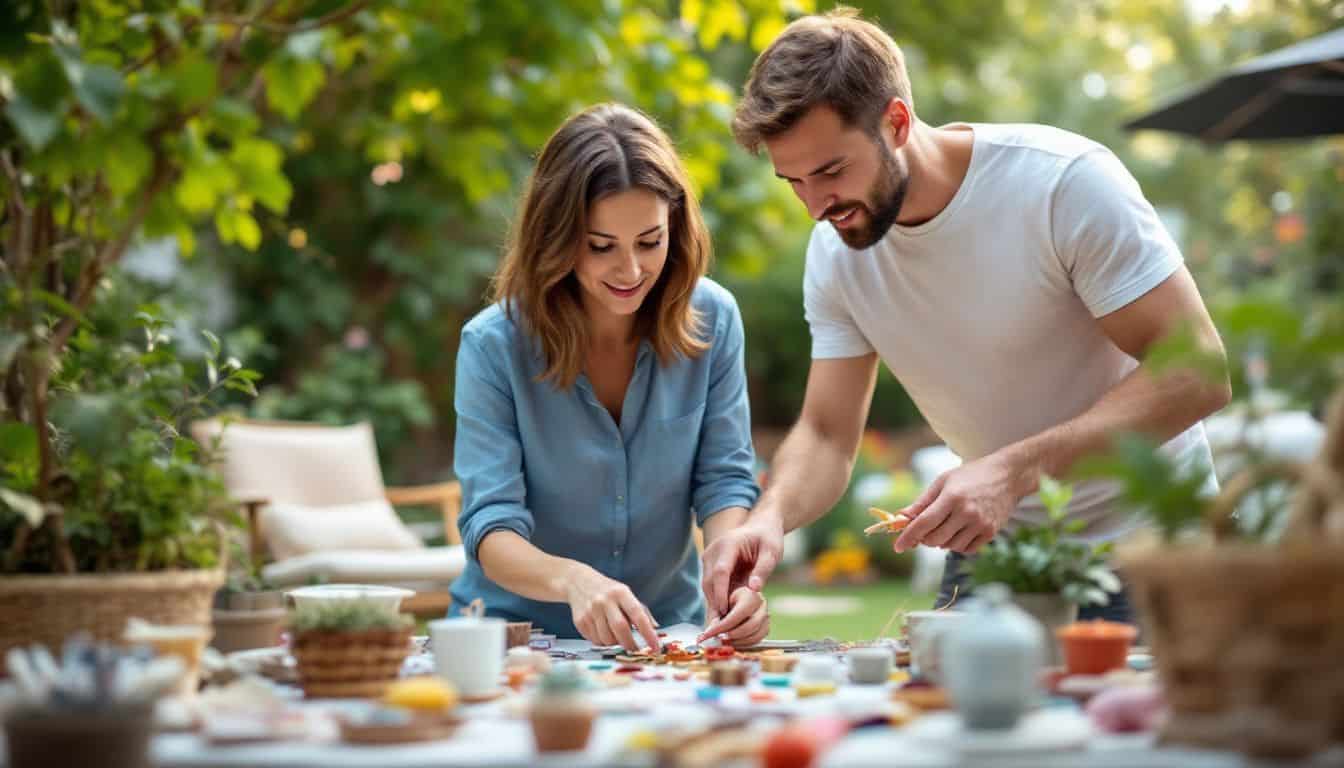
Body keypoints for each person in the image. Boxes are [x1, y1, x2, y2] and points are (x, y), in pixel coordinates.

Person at [699, 7, 1230, 634]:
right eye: (793, 181)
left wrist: (1011, 471)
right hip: (995, 556)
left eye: (831, 171)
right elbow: (826, 432)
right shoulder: (835, 256)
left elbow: (1198, 371)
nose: (816, 205)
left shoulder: (1061, 184)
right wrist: (770, 515)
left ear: (895, 122)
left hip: (1151, 548)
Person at [450, 103, 768, 652]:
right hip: (514, 642)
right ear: (556, 237)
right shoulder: (492, 345)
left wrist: (729, 567)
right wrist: (574, 581)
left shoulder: (715, 319)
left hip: (668, 638)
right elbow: (490, 525)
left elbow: (724, 479)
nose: (631, 271)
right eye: (600, 247)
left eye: (650, 241)